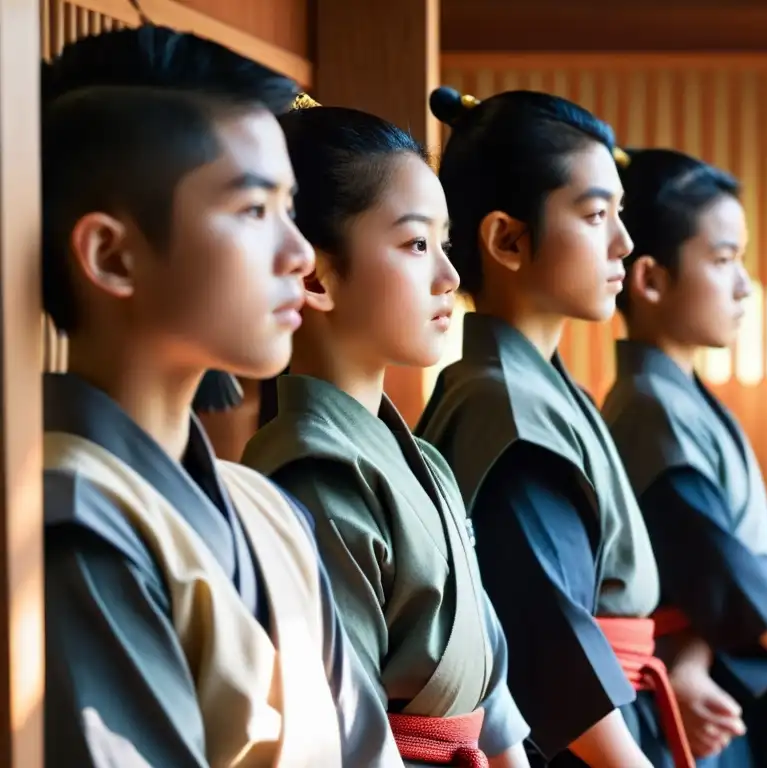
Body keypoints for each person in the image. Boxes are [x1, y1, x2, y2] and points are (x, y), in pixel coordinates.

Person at [41, 26, 401, 767]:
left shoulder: (268, 508)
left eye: (290, 208)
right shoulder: (71, 516)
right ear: (112, 254)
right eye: (251, 210)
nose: (299, 253)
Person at [242, 101, 531, 768]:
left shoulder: (423, 460)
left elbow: (488, 681)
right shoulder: (313, 468)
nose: (450, 279)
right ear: (316, 274)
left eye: (446, 243)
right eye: (416, 244)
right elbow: (346, 723)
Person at [415, 87, 693, 768]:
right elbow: (546, 636)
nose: (624, 243)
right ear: (508, 238)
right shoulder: (504, 410)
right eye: (597, 214)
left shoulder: (528, 389)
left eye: (620, 214)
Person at [602, 148, 767, 767]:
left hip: (713, 669)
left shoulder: (679, 399)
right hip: (691, 697)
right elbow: (711, 558)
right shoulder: (648, 408)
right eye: (723, 259)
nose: (744, 285)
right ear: (650, 279)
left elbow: (757, 541)